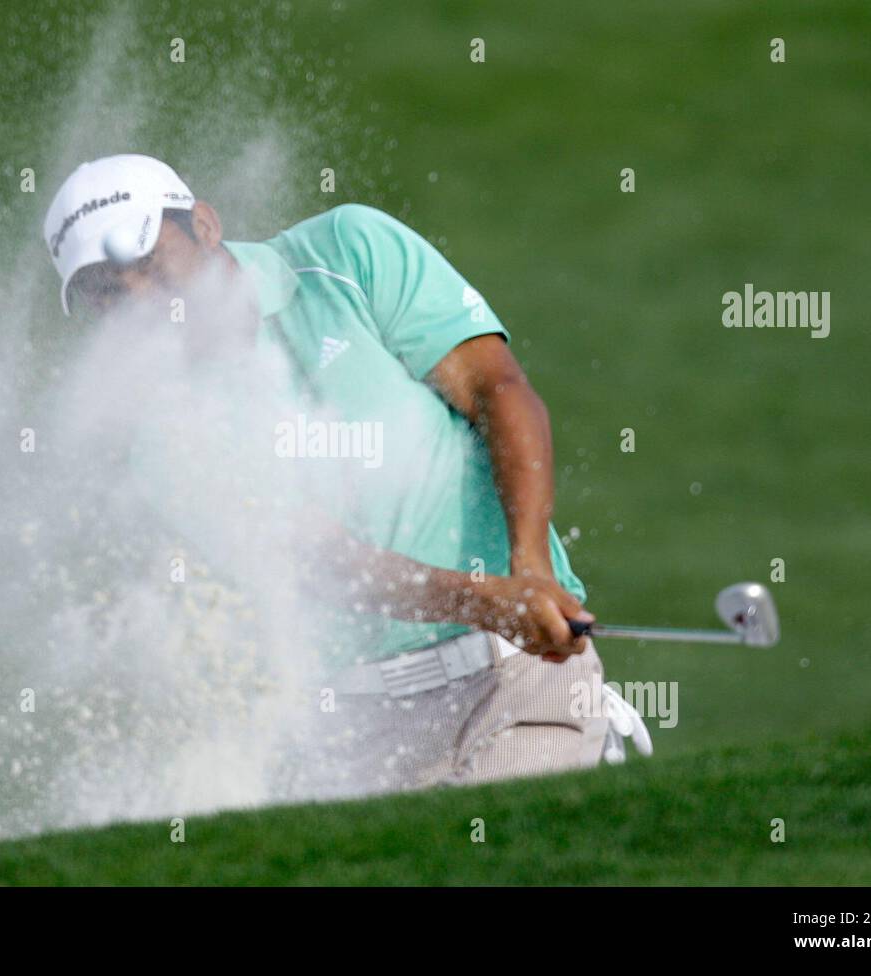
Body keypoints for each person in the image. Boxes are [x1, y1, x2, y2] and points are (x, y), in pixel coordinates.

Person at [43, 154, 650, 797]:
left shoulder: (348, 252)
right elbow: (322, 562)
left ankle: (583, 735)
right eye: (106, 290)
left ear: (205, 225)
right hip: (355, 724)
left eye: (147, 262)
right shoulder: (155, 434)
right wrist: (486, 601)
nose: (138, 297)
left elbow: (493, 388)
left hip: (519, 673)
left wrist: (531, 570)